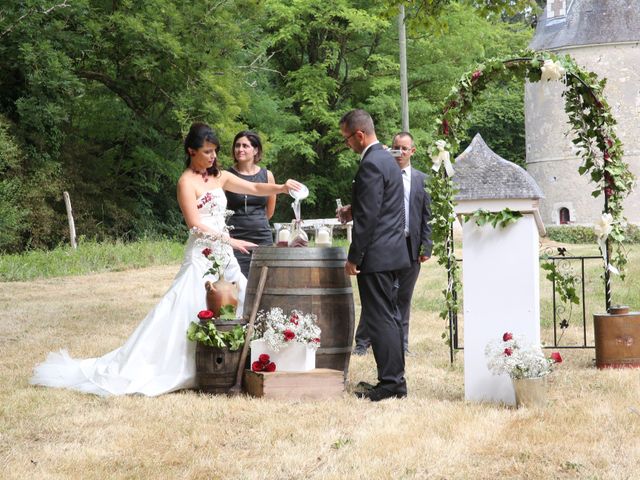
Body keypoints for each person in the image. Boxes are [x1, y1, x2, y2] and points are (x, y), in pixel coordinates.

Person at [30, 122, 301, 397]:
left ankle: (234, 362)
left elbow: (254, 190)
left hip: (224, 256)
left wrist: (280, 187)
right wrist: (230, 240)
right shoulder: (186, 182)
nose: (213, 157)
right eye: (207, 152)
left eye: (215, 152)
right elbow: (195, 225)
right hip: (202, 254)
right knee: (183, 307)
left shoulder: (219, 177)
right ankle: (181, 365)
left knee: (240, 299)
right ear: (191, 151)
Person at [337, 109, 410, 402]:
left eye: (347, 139)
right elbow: (383, 202)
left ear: (359, 135)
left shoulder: (370, 163)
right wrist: (352, 209)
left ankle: (391, 384)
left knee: (380, 319)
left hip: (377, 255)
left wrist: (354, 256)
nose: (347, 145)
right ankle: (394, 381)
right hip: (394, 252)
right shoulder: (387, 159)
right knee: (389, 318)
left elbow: (369, 218)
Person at [352, 132, 432, 356]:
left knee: (403, 297)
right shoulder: (381, 172)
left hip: (409, 245)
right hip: (384, 245)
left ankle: (401, 343)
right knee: (377, 295)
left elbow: (427, 215)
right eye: (395, 148)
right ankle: (362, 342)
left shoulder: (421, 180)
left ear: (412, 151)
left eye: (404, 148)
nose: (400, 152)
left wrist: (426, 245)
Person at [225, 131, 276, 278]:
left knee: (265, 280)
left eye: (245, 146)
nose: (240, 149)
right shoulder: (226, 176)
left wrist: (256, 222)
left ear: (255, 150)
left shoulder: (267, 175)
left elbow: (270, 211)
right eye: (237, 145)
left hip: (262, 237)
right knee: (237, 281)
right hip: (235, 236)